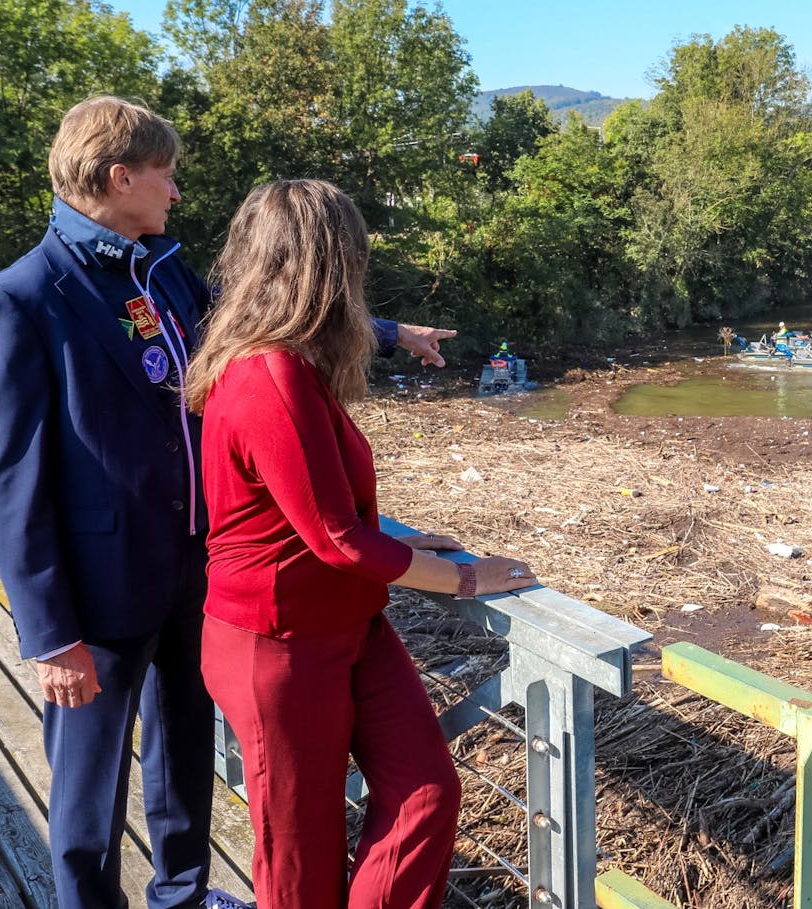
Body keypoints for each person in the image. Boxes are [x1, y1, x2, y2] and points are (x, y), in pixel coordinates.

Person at [0, 96, 454, 909]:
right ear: (120, 177)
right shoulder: (19, 299)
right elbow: (9, 483)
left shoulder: (163, 274)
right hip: (98, 592)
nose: (176, 192)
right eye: (165, 174)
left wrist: (391, 329)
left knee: (183, 760)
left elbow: (276, 308)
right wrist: (49, 634)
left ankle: (181, 897)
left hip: (199, 576)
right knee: (88, 787)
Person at [185, 179, 535, 908]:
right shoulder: (267, 373)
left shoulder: (291, 359)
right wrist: (467, 579)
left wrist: (397, 541)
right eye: (353, 257)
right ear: (325, 265)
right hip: (276, 646)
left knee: (426, 794)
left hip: (347, 624)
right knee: (300, 858)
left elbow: (317, 511)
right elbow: (336, 538)